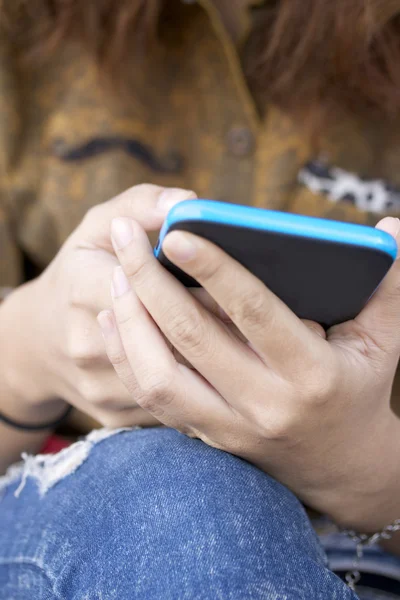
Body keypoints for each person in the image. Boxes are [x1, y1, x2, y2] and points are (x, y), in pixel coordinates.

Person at [1, 0, 400, 598]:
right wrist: (26, 353)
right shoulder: (22, 27)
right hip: (68, 511)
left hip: (358, 540)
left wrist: (364, 473)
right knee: (181, 497)